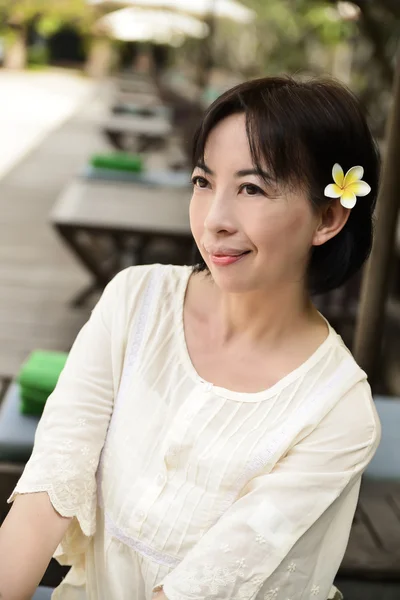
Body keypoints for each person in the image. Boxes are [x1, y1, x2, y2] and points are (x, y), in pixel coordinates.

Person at [0, 75, 381, 600]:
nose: (214, 220)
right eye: (203, 182)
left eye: (251, 188)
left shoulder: (338, 411)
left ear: (328, 216)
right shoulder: (135, 300)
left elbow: (199, 589)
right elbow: (50, 486)